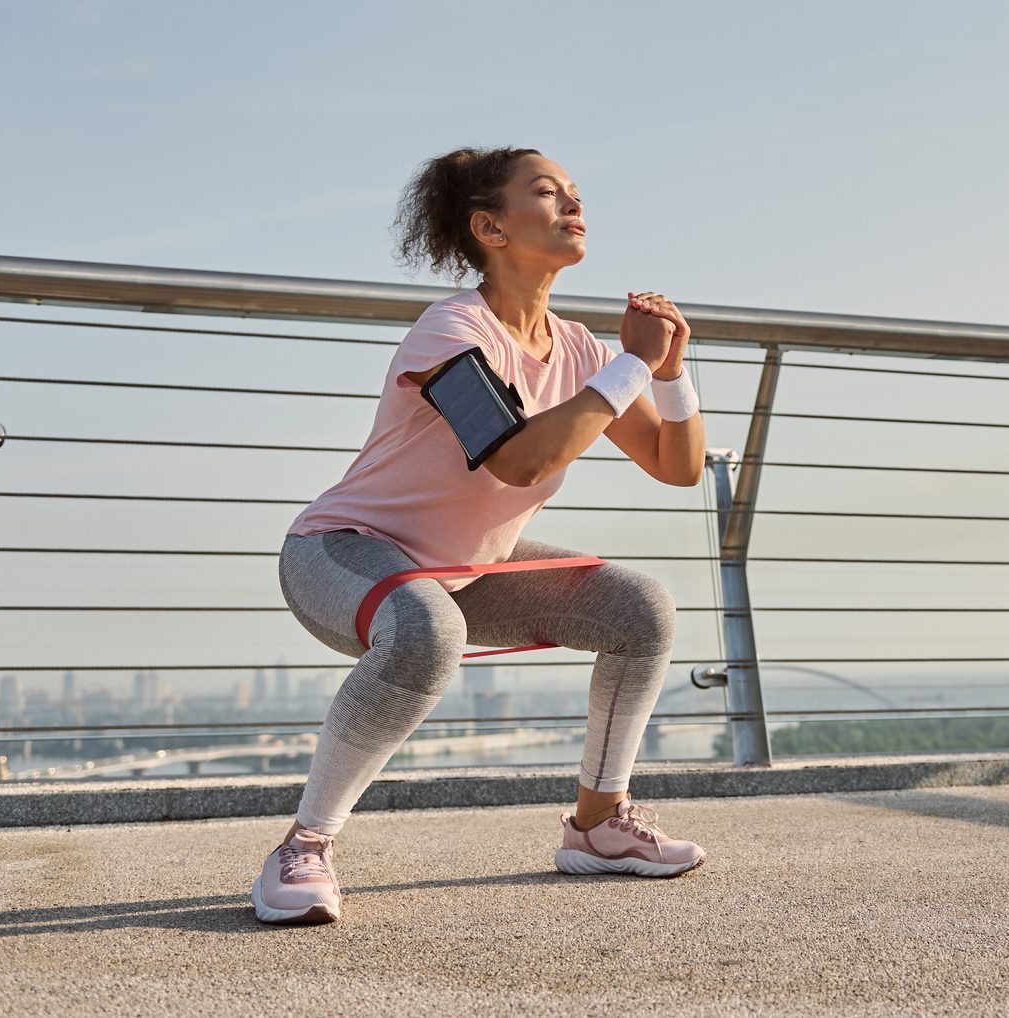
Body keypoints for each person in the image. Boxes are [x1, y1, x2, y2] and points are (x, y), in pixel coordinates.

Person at [253, 146, 708, 926]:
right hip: (343, 551)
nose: (572, 203)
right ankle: (303, 848)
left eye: (574, 192)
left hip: (465, 568)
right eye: (547, 192)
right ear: (489, 226)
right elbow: (520, 461)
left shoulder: (579, 351)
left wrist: (667, 372)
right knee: (426, 631)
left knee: (639, 609)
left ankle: (598, 827)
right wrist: (629, 362)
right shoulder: (450, 333)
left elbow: (677, 465)